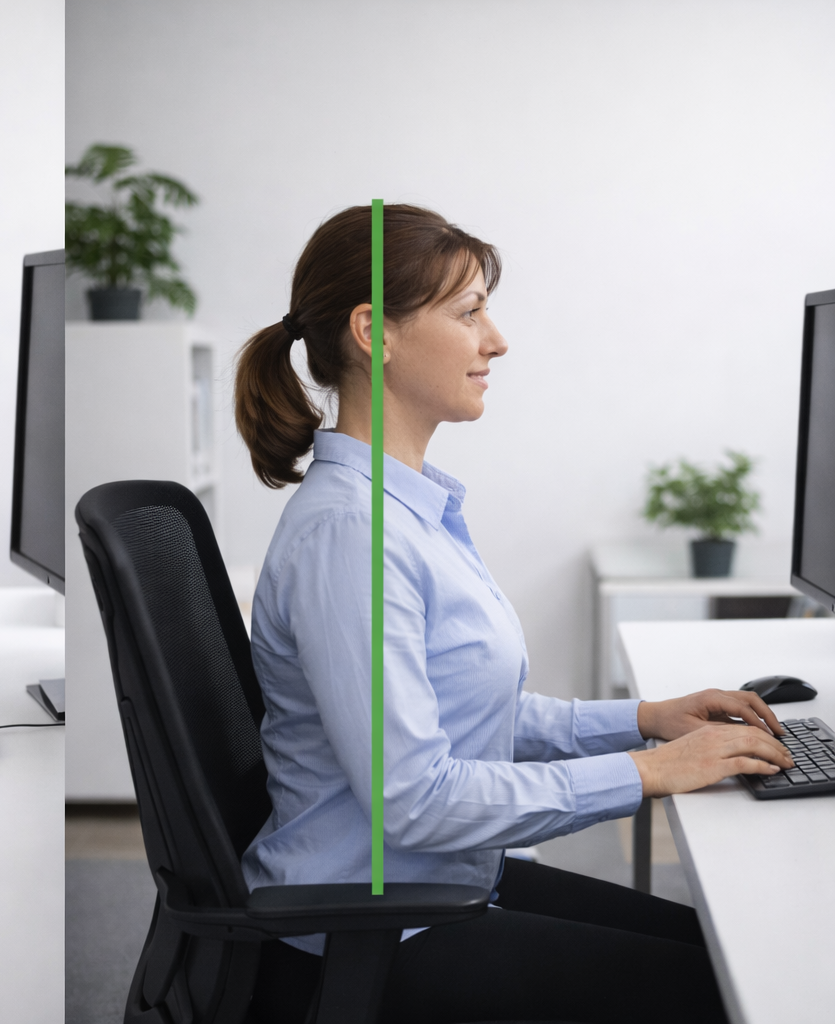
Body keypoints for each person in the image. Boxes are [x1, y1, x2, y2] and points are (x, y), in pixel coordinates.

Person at [230, 205, 793, 1024]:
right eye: (469, 313)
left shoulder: (407, 511)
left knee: (727, 957)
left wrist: (645, 720)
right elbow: (413, 796)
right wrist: (648, 773)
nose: (496, 340)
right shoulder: (354, 532)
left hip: (439, 887)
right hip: (372, 933)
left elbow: (466, 712)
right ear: (372, 331)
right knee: (733, 993)